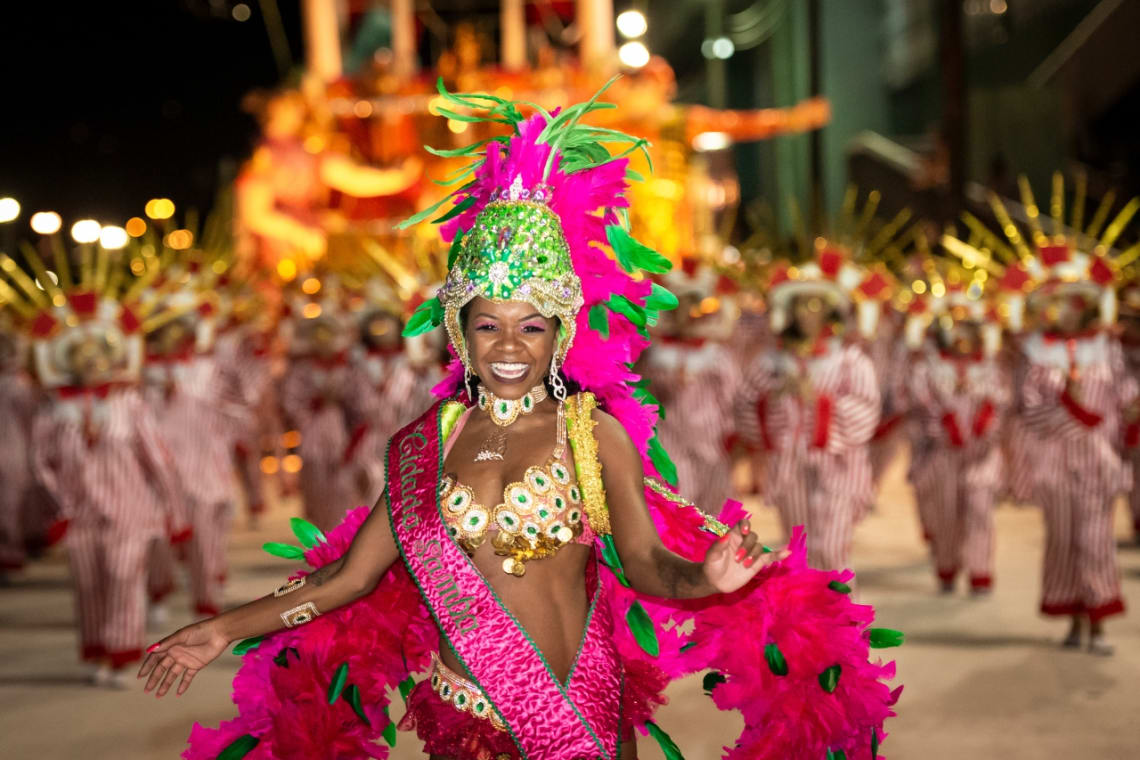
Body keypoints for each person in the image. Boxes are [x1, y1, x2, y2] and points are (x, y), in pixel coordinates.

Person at [143, 87, 900, 760]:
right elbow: (350, 578)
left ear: (560, 334)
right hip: (462, 720)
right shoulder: (423, 445)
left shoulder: (590, 433)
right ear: (460, 332)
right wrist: (223, 628)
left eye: (531, 327)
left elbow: (644, 562)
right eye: (489, 325)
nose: (509, 347)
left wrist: (704, 578)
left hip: (577, 713)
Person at [734, 249, 883, 571]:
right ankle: (808, 605)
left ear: (830, 310)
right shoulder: (771, 362)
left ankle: (841, 604)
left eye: (816, 305)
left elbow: (866, 411)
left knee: (831, 549)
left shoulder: (849, 361)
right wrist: (775, 399)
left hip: (838, 469)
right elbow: (745, 404)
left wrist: (819, 401)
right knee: (798, 552)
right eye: (801, 304)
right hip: (790, 469)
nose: (807, 313)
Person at [901, 272, 1010, 594]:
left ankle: (980, 571)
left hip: (982, 456)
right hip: (941, 456)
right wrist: (944, 428)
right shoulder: (928, 368)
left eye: (968, 329)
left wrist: (985, 428)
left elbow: (1002, 402)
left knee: (980, 509)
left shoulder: (989, 368)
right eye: (954, 328)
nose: (961, 336)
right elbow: (920, 406)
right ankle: (947, 565)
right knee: (946, 513)